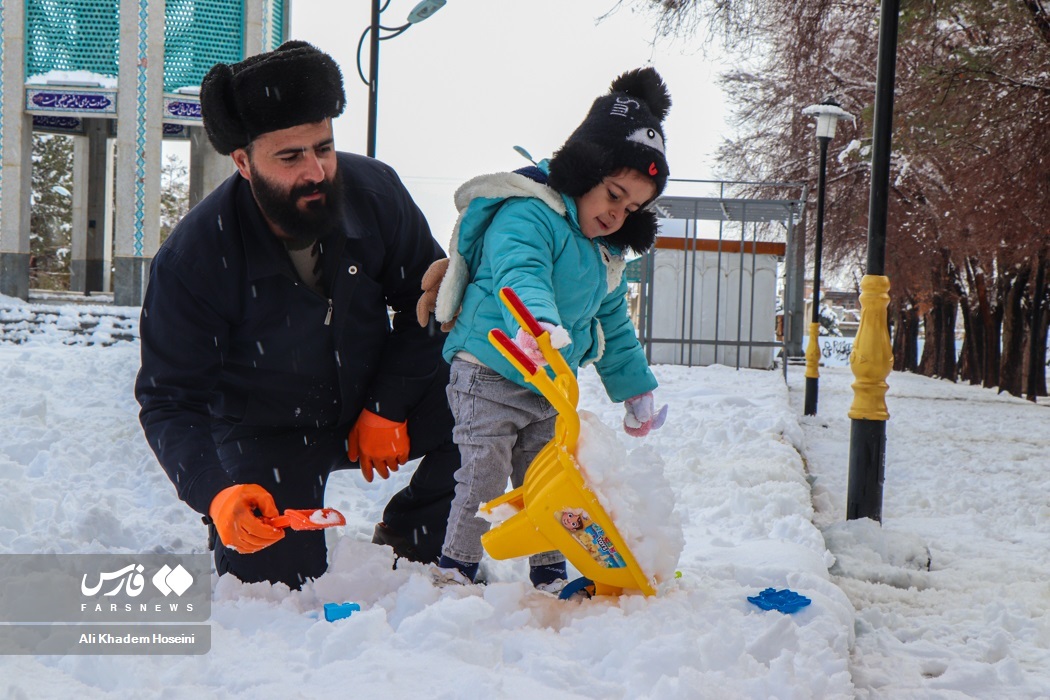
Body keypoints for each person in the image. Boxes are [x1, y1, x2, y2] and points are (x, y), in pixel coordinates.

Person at [135, 41, 459, 589]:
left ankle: (413, 533)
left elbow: (431, 304)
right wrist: (217, 494)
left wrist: (387, 404)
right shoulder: (195, 258)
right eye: (290, 157)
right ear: (243, 162)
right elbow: (170, 400)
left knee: (484, 403)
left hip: (374, 400)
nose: (316, 172)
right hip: (266, 431)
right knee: (275, 580)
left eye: (324, 148)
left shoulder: (375, 193)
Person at [420, 67, 672, 590]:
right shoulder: (529, 215)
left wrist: (636, 390)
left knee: (555, 481)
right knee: (485, 475)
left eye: (632, 208)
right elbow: (521, 274)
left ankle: (550, 573)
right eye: (612, 193)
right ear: (583, 170)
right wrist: (539, 330)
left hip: (548, 384)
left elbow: (613, 322)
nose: (617, 214)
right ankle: (456, 567)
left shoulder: (604, 253)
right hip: (489, 369)